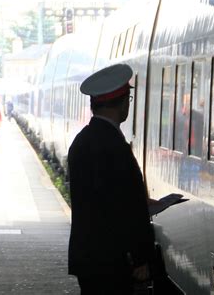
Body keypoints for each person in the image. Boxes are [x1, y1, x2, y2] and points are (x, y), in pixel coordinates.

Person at [68, 64, 155, 294]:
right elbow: (124, 208)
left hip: (88, 257)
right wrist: (140, 257)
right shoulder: (115, 146)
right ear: (124, 102)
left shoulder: (81, 141)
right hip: (113, 260)